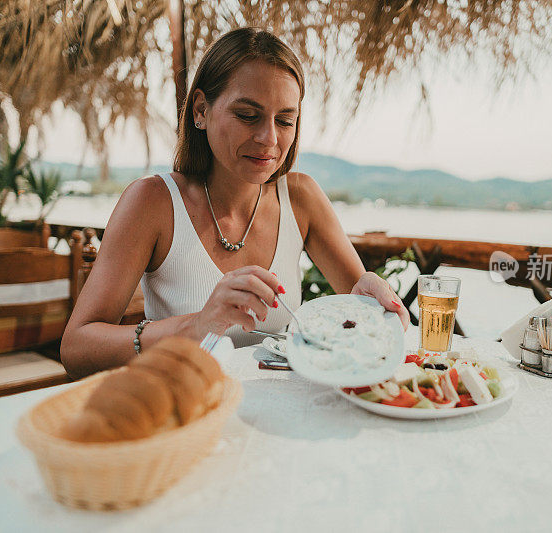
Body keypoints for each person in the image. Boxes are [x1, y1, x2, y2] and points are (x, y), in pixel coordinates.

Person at [61, 28, 409, 378]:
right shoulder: (152, 201)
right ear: (200, 110)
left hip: (276, 417)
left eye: (285, 120)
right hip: (181, 409)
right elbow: (77, 348)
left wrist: (370, 299)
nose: (269, 138)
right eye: (247, 115)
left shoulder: (301, 198)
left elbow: (361, 311)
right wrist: (198, 325)